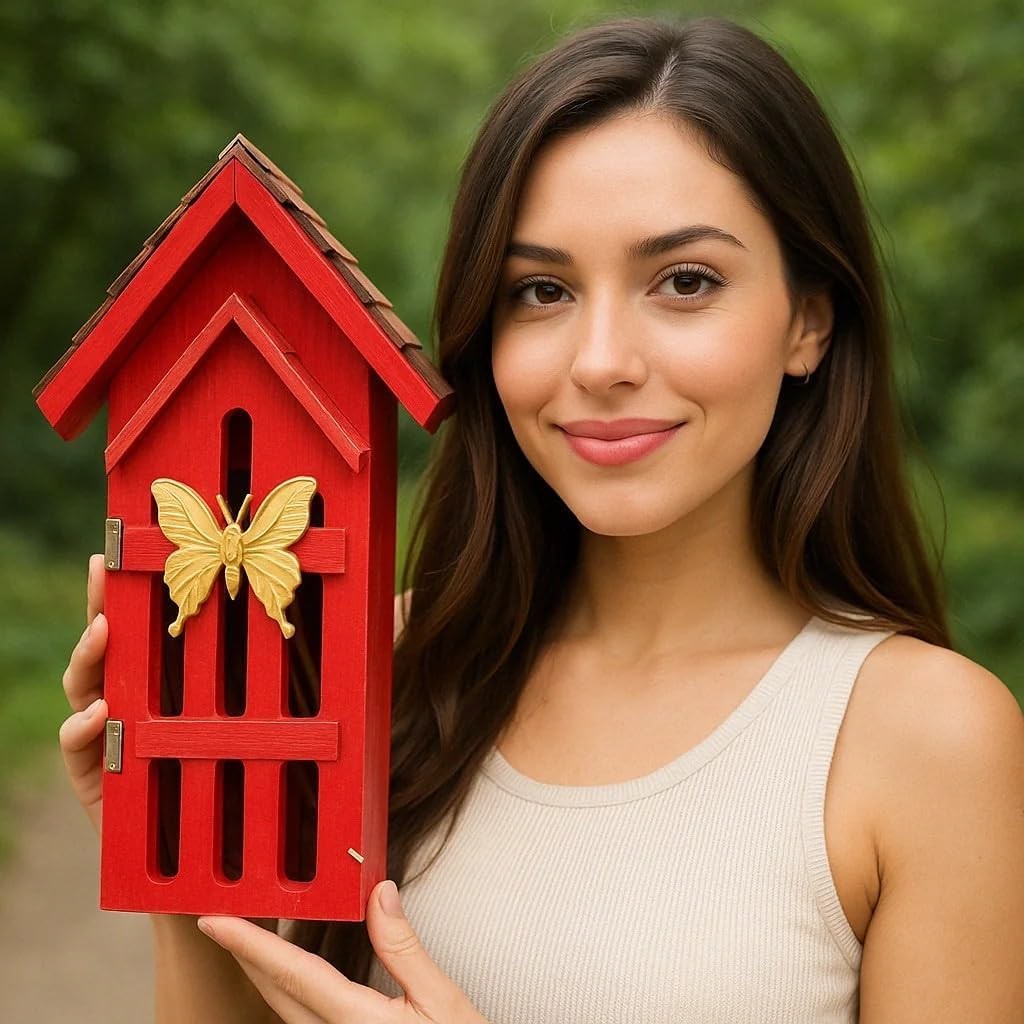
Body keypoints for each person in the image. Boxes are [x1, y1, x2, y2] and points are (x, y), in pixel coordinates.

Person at [57, 13, 1024, 1024]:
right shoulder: (379, 668)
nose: (600, 361)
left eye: (685, 281)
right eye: (542, 290)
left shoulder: (926, 738)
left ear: (807, 322)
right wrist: (184, 867)